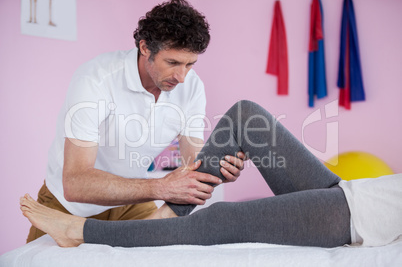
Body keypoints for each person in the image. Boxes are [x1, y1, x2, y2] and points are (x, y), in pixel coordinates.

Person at [21, 100, 402, 248]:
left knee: (220, 220)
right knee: (246, 117)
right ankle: (168, 215)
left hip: (367, 216)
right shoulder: (102, 82)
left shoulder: (187, 90)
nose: (183, 73)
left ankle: (77, 230)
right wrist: (212, 174)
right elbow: (193, 158)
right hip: (359, 191)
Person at [26, 0, 246, 243]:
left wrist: (218, 170)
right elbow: (75, 183)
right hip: (68, 205)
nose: (182, 77)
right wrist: (161, 188)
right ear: (145, 48)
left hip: (131, 203)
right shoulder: (96, 80)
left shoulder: (192, 87)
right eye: (172, 63)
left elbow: (192, 163)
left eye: (190, 64)